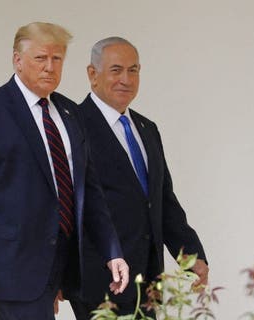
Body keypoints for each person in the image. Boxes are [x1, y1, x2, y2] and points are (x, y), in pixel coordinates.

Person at [0, 23, 129, 320]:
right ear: (17, 60)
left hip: (62, 264)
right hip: (10, 267)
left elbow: (89, 190)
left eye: (57, 59)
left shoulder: (70, 113)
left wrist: (113, 251)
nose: (49, 67)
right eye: (40, 58)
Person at [64, 37, 209, 319]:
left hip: (148, 281)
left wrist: (190, 253)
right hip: (100, 281)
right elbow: (66, 208)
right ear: (92, 75)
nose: (126, 79)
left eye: (134, 70)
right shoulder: (73, 127)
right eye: (116, 70)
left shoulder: (146, 129)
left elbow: (162, 201)